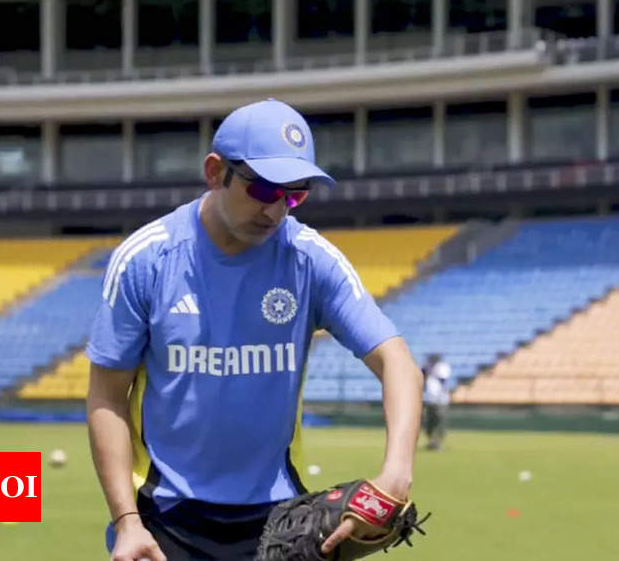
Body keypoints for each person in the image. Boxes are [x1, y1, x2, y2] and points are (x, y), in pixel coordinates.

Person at [85, 99, 425, 561]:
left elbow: (397, 362)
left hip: (280, 522)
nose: (276, 209)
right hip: (164, 517)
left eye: (295, 193)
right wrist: (126, 521)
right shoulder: (146, 259)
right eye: (263, 189)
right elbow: (106, 396)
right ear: (214, 171)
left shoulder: (310, 259)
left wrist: (396, 473)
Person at [422, 353, 453, 450]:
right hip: (429, 399)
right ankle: (431, 441)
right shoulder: (427, 367)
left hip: (440, 399)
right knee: (429, 421)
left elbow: (443, 381)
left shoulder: (442, 368)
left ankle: (437, 442)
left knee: (439, 421)